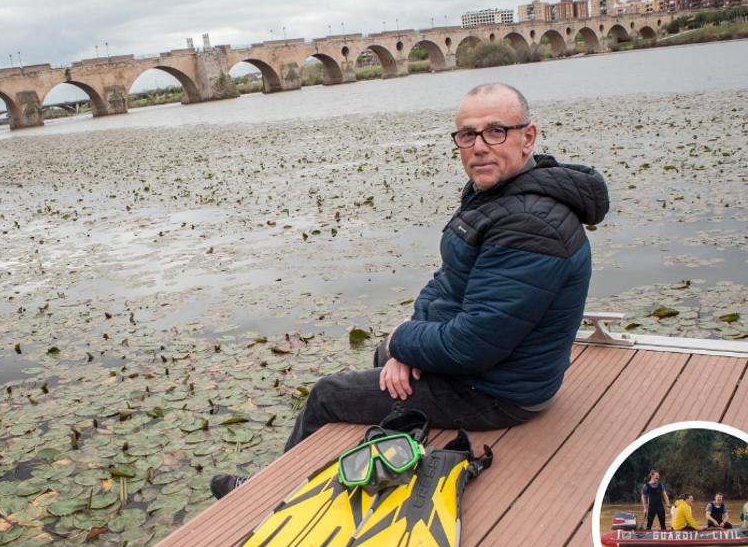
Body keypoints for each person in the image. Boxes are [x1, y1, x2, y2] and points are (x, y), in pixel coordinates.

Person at [211, 83, 609, 499]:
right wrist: (406, 341)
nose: (478, 146)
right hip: (499, 370)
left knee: (330, 395)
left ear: (528, 137)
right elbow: (448, 281)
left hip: (502, 392)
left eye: (496, 132)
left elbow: (473, 345)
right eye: (467, 135)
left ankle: (265, 493)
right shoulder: (501, 196)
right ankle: (388, 459)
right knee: (385, 362)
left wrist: (403, 338)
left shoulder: (530, 224)